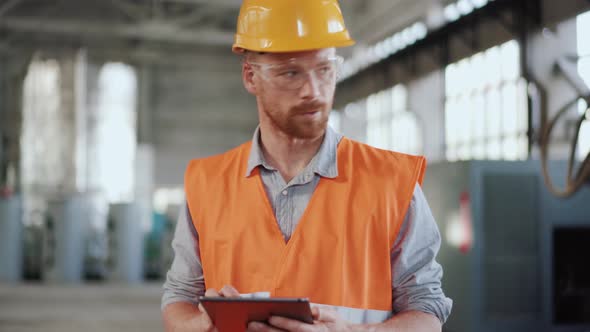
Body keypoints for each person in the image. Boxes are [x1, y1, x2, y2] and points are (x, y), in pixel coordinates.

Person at [161, 0, 452, 331]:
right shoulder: (208, 184)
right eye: (290, 72)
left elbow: (427, 311)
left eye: (324, 69)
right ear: (250, 76)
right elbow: (180, 298)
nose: (313, 91)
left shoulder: (391, 182)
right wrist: (205, 327)